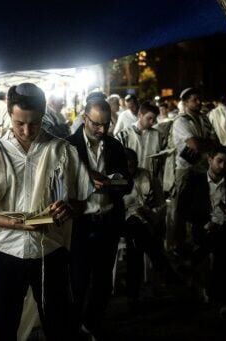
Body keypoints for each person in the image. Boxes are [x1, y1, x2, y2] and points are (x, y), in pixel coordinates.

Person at [0, 83, 92, 341]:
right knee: (5, 325)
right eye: (19, 123)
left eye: (34, 123)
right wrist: (17, 224)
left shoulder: (61, 150)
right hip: (5, 251)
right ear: (9, 114)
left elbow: (81, 201)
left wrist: (69, 208)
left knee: (57, 323)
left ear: (43, 115)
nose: (27, 131)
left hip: (50, 251)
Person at [66, 98, 132, 338]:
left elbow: (127, 183)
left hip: (108, 220)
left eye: (106, 124)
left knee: (104, 282)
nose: (102, 130)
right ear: (84, 118)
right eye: (96, 124)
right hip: (80, 223)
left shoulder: (114, 146)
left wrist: (111, 182)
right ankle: (72, 328)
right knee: (78, 281)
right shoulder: (69, 146)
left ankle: (92, 325)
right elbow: (59, 185)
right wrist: (86, 180)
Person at [178, 146, 226, 315]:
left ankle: (195, 263)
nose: (222, 166)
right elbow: (183, 209)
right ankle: (223, 298)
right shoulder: (196, 181)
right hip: (204, 229)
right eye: (219, 161)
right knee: (218, 245)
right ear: (210, 160)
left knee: (220, 241)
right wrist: (206, 221)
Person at [122, 148, 178, 302]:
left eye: (132, 165)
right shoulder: (115, 179)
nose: (129, 169)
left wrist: (148, 212)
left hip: (148, 221)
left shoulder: (147, 177)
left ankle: (133, 292)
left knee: (137, 242)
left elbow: (160, 204)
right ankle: (165, 271)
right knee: (138, 231)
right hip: (124, 222)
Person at [172, 87, 218, 254]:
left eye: (199, 99)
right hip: (186, 169)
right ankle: (178, 244)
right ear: (185, 103)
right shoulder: (181, 121)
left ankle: (197, 241)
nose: (199, 103)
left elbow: (215, 142)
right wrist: (204, 143)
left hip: (202, 169)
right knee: (181, 208)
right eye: (194, 100)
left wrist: (203, 143)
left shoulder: (204, 119)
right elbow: (194, 144)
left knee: (201, 207)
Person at [116, 101, 162, 177]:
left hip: (151, 179)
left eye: (154, 119)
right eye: (149, 118)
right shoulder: (124, 135)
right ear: (140, 115)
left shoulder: (158, 135)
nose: (152, 122)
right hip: (130, 180)